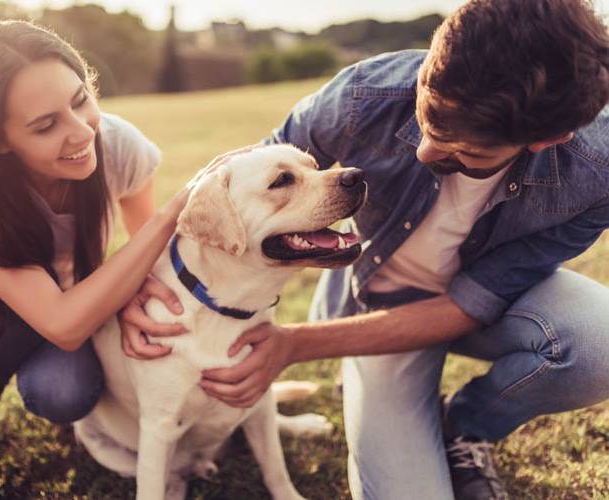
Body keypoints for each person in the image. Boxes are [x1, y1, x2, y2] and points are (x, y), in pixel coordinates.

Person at [161, 1, 609, 499]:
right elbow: (231, 178)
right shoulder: (366, 92)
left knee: (601, 345)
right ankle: (371, 360)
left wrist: (295, 344)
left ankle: (465, 426)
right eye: (427, 118)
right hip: (379, 301)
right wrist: (147, 280)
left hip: (489, 304)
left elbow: (473, 302)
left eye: (467, 153)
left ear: (549, 139)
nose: (425, 153)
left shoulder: (596, 170)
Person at [0, 19, 193, 499]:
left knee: (64, 393)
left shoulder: (118, 143)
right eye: (46, 125)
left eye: (80, 99)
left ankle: (24, 381)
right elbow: (61, 322)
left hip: (67, 298)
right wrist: (174, 211)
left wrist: (132, 300)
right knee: (10, 310)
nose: (81, 131)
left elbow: (147, 260)